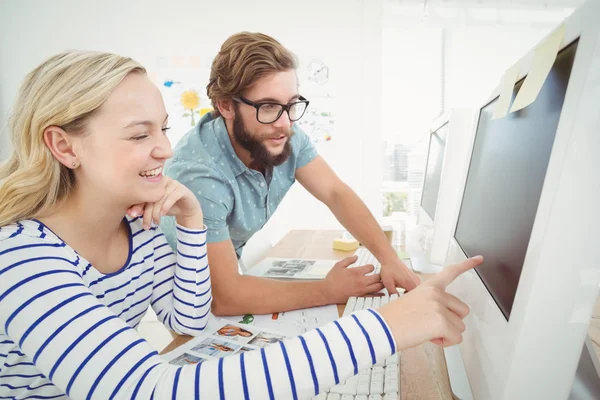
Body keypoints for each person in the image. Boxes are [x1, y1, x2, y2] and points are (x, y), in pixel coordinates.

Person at [0, 50, 482, 399]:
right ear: (64, 148)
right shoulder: (22, 260)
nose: (166, 150)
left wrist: (190, 220)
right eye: (139, 134)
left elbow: (189, 321)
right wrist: (387, 327)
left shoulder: (138, 229)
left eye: (163, 128)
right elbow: (149, 390)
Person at [159, 32, 420, 316]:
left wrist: (389, 258)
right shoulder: (199, 176)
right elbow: (226, 298)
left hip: (227, 274)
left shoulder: (281, 132)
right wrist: (328, 290)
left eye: (291, 104)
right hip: (183, 297)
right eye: (268, 106)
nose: (285, 123)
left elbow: (335, 193)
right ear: (225, 105)